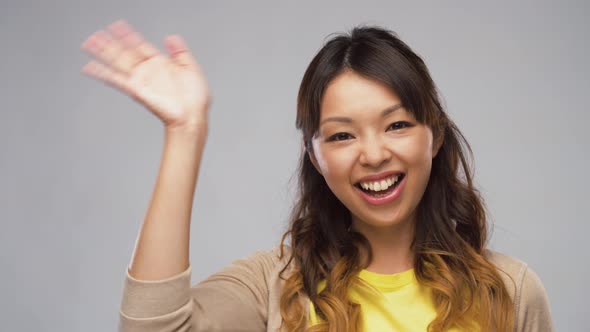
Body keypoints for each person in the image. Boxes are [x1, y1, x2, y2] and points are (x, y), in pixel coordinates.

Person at [81, 20, 554, 332]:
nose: (373, 154)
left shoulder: (509, 289)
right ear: (314, 156)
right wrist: (185, 131)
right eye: (342, 135)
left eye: (397, 125)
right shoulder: (273, 283)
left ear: (435, 136)